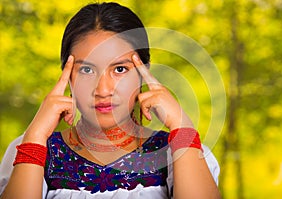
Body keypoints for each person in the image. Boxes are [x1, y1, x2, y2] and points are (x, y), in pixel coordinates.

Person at [0, 2, 221, 199]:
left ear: (144, 72)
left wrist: (182, 126)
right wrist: (36, 135)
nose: (103, 90)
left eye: (120, 69)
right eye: (87, 69)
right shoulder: (30, 148)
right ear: (66, 76)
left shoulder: (182, 150)